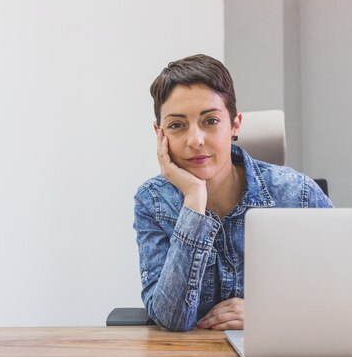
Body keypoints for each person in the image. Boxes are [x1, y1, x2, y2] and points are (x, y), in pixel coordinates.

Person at [133, 54, 333, 332]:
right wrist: (194, 200)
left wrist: (267, 315)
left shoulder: (297, 193)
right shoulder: (153, 200)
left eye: (210, 121)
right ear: (160, 133)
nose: (195, 140)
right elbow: (171, 318)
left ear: (235, 124)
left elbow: (344, 293)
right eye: (177, 125)